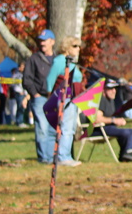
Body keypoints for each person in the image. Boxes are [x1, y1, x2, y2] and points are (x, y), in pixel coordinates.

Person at [44, 36, 85, 167]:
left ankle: (63, 155)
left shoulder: (71, 62)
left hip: (73, 98)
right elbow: (50, 80)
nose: (78, 49)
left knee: (69, 128)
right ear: (67, 47)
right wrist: (51, 97)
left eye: (79, 46)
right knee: (66, 128)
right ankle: (63, 157)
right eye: (75, 46)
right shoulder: (60, 61)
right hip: (64, 97)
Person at [23, 30, 58, 163]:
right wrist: (35, 94)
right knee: (42, 128)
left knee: (53, 129)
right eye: (41, 41)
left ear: (52, 42)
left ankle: (53, 157)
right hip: (40, 98)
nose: (42, 43)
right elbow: (27, 80)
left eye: (45, 40)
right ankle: (44, 158)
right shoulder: (33, 59)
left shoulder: (58, 59)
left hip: (55, 98)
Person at [90, 79, 132, 162]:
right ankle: (128, 154)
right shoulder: (101, 100)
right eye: (110, 89)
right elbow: (97, 119)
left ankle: (127, 154)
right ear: (103, 90)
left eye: (115, 88)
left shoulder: (111, 100)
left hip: (107, 128)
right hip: (98, 130)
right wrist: (114, 121)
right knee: (127, 132)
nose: (114, 91)